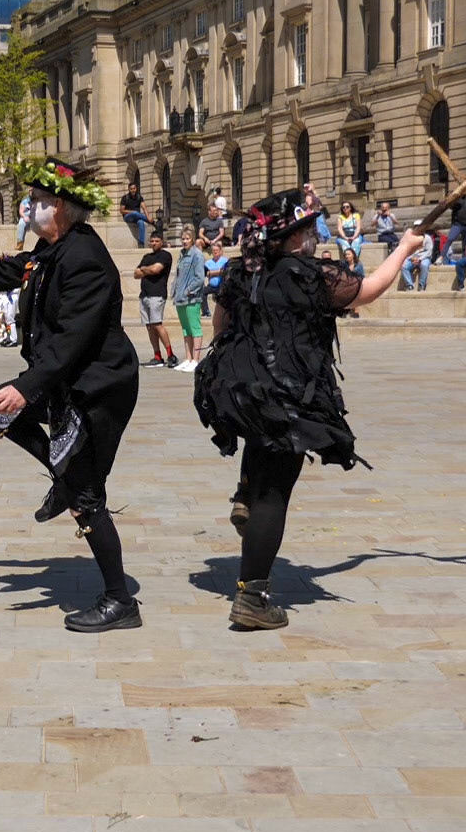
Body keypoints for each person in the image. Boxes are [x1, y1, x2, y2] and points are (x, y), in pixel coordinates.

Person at [0, 158, 142, 633]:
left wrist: (25, 387)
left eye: (36, 200)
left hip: (97, 386)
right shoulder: (49, 249)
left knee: (86, 498)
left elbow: (73, 340)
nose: (28, 207)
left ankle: (121, 601)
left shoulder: (85, 258)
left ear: (60, 206)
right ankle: (62, 477)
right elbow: (5, 272)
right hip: (63, 377)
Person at [194, 188, 430, 630]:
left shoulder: (240, 273)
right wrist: (404, 248)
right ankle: (252, 598)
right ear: (289, 238)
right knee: (274, 496)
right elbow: (368, 291)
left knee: (260, 458)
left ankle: (245, 493)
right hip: (289, 395)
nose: (313, 236)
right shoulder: (311, 275)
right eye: (306, 230)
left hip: (243, 388)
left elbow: (221, 326)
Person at [135, 231, 175, 368]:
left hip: (157, 294)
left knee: (157, 324)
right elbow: (136, 274)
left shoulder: (165, 255)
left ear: (162, 242)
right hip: (144, 295)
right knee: (149, 326)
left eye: (157, 241)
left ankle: (170, 354)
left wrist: (144, 269)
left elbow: (156, 270)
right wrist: (147, 269)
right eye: (152, 241)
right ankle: (157, 356)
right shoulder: (146, 257)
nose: (154, 243)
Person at [171, 224, 208, 371]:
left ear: (192, 239)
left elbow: (200, 278)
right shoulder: (182, 254)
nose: (185, 241)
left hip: (192, 298)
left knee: (195, 328)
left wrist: (188, 290)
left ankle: (196, 359)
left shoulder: (197, 255)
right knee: (186, 329)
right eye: (183, 238)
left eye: (187, 238)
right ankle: (188, 358)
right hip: (180, 297)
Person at [399, 224, 433, 291]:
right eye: (416, 227)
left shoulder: (427, 238)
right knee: (404, 266)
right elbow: (408, 250)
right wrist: (412, 258)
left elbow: (429, 251)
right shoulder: (411, 238)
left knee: (424, 265)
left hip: (424, 257)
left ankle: (421, 285)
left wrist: (420, 259)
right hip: (412, 258)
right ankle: (409, 285)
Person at [120, 181, 148, 246]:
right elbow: (121, 211)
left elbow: (144, 208)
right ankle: (150, 221)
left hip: (136, 218)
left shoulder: (139, 197)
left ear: (136, 189)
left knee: (141, 222)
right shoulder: (125, 198)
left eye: (134, 188)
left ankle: (141, 243)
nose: (133, 190)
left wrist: (148, 216)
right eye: (131, 189)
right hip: (127, 217)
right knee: (135, 213)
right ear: (129, 189)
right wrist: (132, 212)